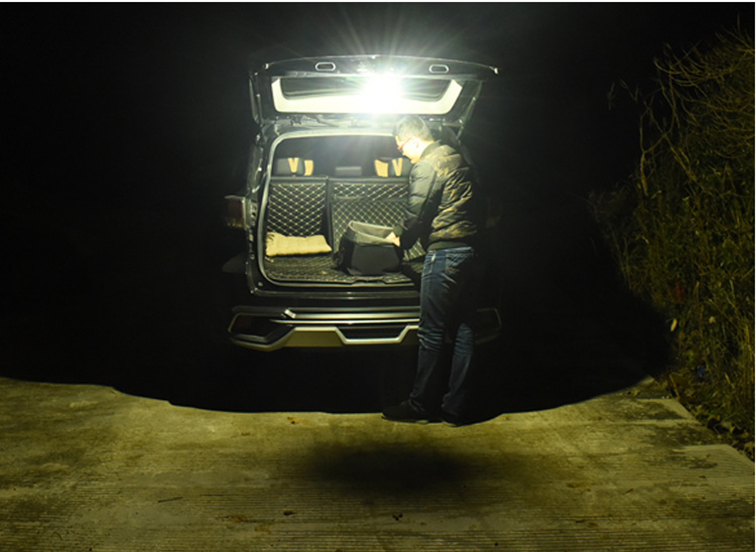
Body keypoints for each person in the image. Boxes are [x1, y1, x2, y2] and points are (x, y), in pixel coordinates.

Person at [382, 115, 485, 426]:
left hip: (445, 254)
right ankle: (456, 407)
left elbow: (417, 212)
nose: (402, 153)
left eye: (401, 147)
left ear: (414, 140)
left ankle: (420, 405)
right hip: (471, 251)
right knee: (465, 329)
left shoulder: (427, 164)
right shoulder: (458, 158)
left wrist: (400, 239)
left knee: (431, 332)